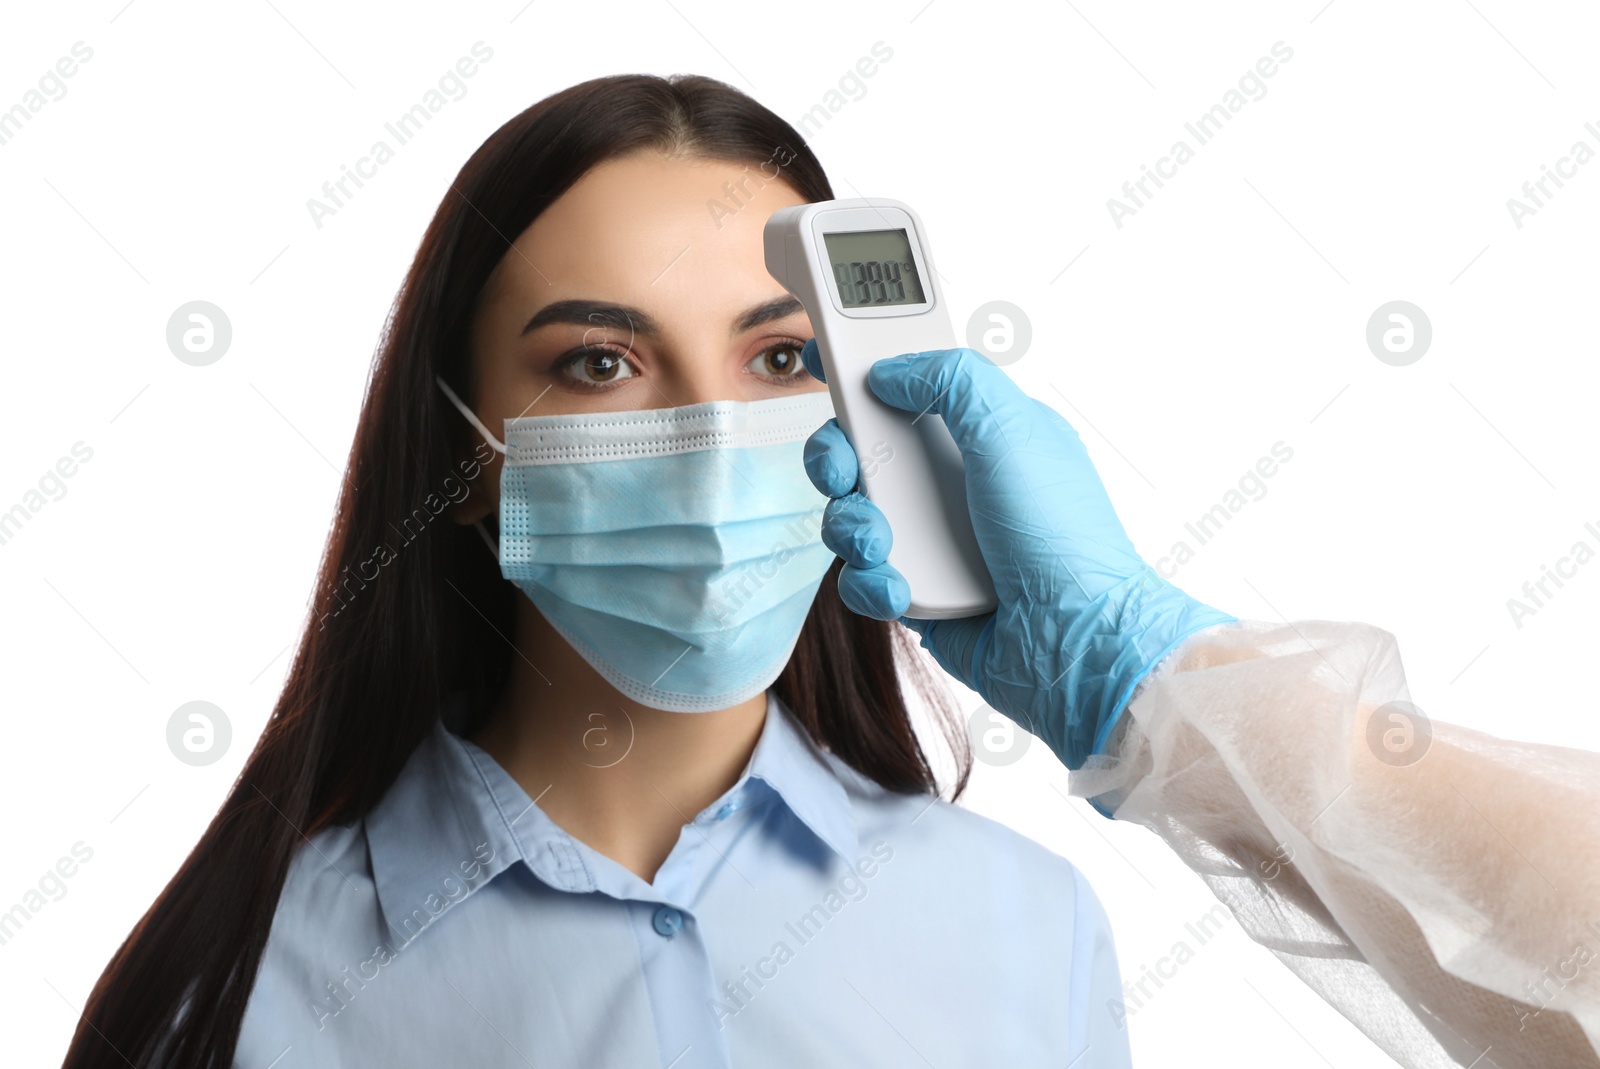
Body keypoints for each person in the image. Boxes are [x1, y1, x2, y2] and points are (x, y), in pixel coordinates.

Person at [60, 74, 1600, 1069]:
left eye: (785, 355)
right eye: (599, 362)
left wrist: (1140, 674)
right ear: (466, 457)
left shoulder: (1023, 924)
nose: (711, 429)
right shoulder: (233, 988)